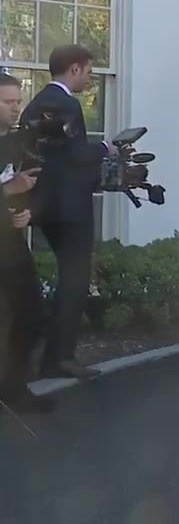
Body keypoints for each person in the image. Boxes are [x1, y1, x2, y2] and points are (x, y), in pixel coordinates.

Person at [21, 46, 114, 381]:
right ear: (74, 69)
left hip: (44, 207)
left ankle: (48, 355)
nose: (90, 79)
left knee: (67, 279)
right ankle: (60, 358)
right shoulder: (68, 104)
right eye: (89, 71)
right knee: (74, 281)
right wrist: (106, 148)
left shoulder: (34, 105)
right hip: (71, 209)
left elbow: (44, 158)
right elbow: (76, 157)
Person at [0, 73, 54, 412]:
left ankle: (13, 388)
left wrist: (27, 211)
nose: (15, 108)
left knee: (30, 315)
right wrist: (6, 191)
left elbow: (31, 183)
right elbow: (10, 185)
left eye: (18, 101)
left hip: (11, 241)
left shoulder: (18, 141)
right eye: (7, 103)